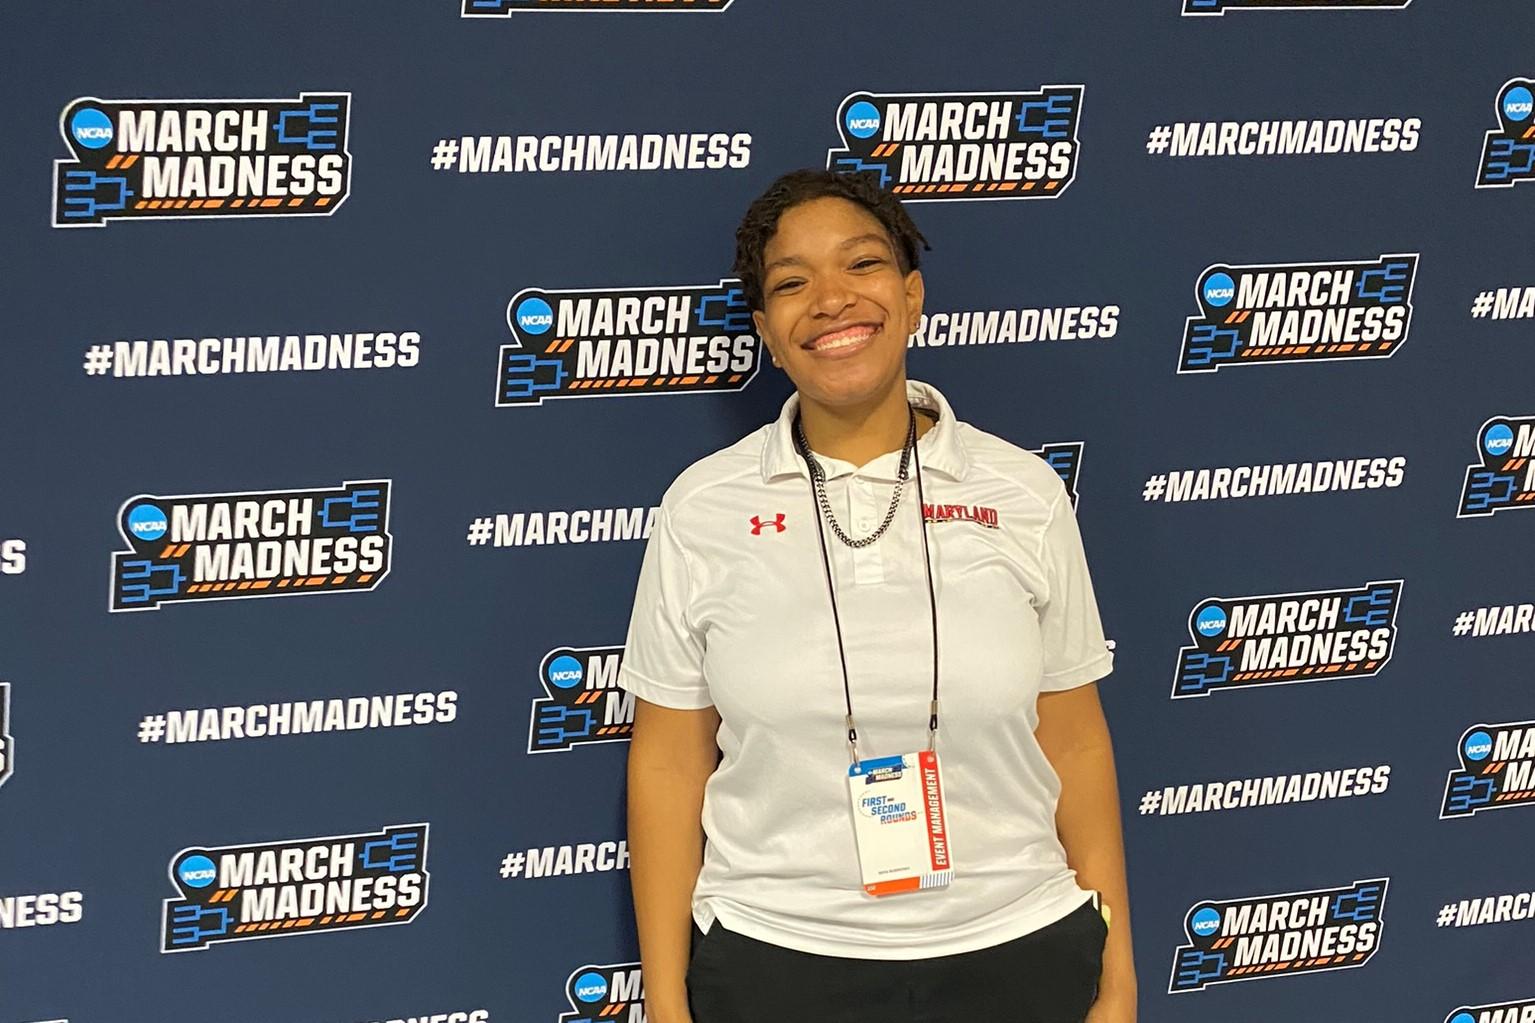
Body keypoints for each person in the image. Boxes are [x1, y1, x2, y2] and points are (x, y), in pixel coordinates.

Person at [619, 168, 1136, 1023]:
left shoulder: (1022, 492)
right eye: (790, 283)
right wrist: (667, 1005)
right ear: (766, 331)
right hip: (778, 959)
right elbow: (669, 762)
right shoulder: (703, 507)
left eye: (859, 265)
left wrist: (1115, 980)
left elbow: (1075, 742)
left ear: (911, 292)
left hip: (1017, 950)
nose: (828, 299)